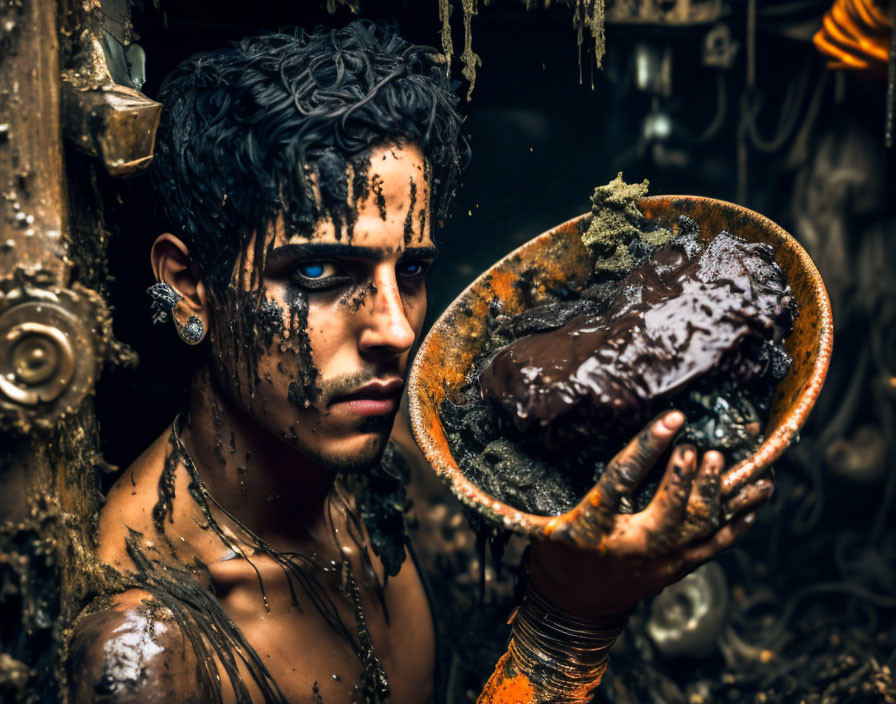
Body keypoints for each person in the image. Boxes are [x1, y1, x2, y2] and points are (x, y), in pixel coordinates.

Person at [67, 20, 774, 704]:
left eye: (409, 271)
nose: (398, 329)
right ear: (189, 290)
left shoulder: (392, 469)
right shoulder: (151, 654)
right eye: (319, 271)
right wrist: (569, 623)